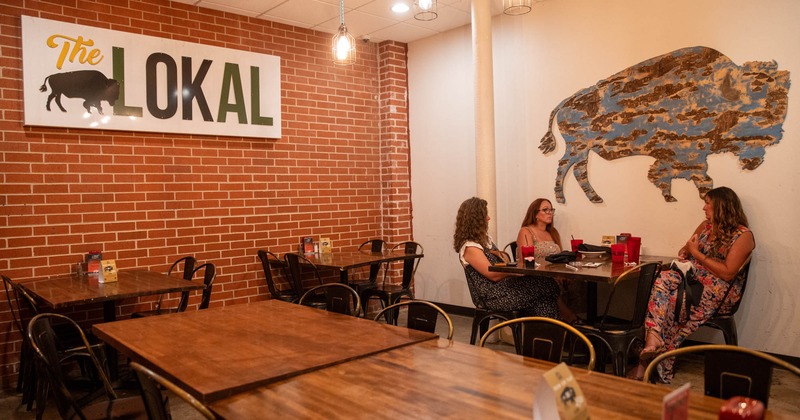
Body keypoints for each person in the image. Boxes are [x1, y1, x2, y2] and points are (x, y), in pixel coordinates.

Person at [629, 186, 755, 382]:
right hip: (692, 279)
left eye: (707, 204)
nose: (704, 208)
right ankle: (653, 336)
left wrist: (697, 254)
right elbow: (687, 248)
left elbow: (728, 273)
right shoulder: (706, 226)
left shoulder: (743, 236)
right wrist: (685, 252)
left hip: (718, 290)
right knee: (661, 279)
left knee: (672, 303)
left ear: (722, 207)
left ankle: (649, 365)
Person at [454, 197, 559, 317]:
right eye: (485, 215)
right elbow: (493, 275)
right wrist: (515, 272)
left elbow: (500, 267)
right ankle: (567, 323)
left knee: (544, 302)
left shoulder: (485, 241)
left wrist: (515, 270)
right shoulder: (470, 247)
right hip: (491, 296)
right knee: (545, 283)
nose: (488, 218)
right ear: (476, 220)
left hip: (502, 288)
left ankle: (548, 333)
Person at [516, 198, 583, 324]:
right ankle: (570, 319)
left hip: (553, 273)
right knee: (550, 283)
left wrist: (562, 272)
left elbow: (559, 257)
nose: (550, 213)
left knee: (579, 282)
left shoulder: (552, 232)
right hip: (534, 275)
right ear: (535, 214)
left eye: (551, 210)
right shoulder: (526, 231)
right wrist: (552, 274)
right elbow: (527, 260)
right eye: (545, 210)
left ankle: (579, 323)